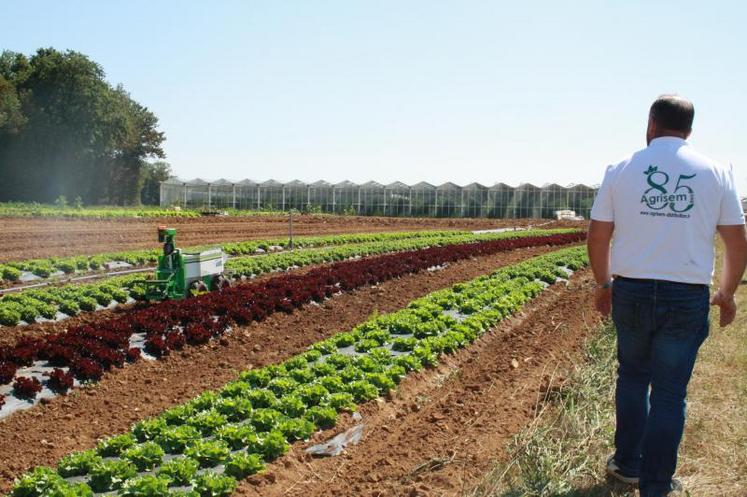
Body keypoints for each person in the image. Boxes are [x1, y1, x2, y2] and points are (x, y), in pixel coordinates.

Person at [586, 94, 747, 497]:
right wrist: (726, 293)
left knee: (633, 376)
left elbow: (598, 234)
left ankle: (627, 463)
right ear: (690, 129)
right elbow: (736, 242)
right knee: (671, 393)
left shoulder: (621, 169)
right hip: (686, 296)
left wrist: (604, 284)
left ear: (650, 124)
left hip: (632, 291)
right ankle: (656, 485)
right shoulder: (717, 171)